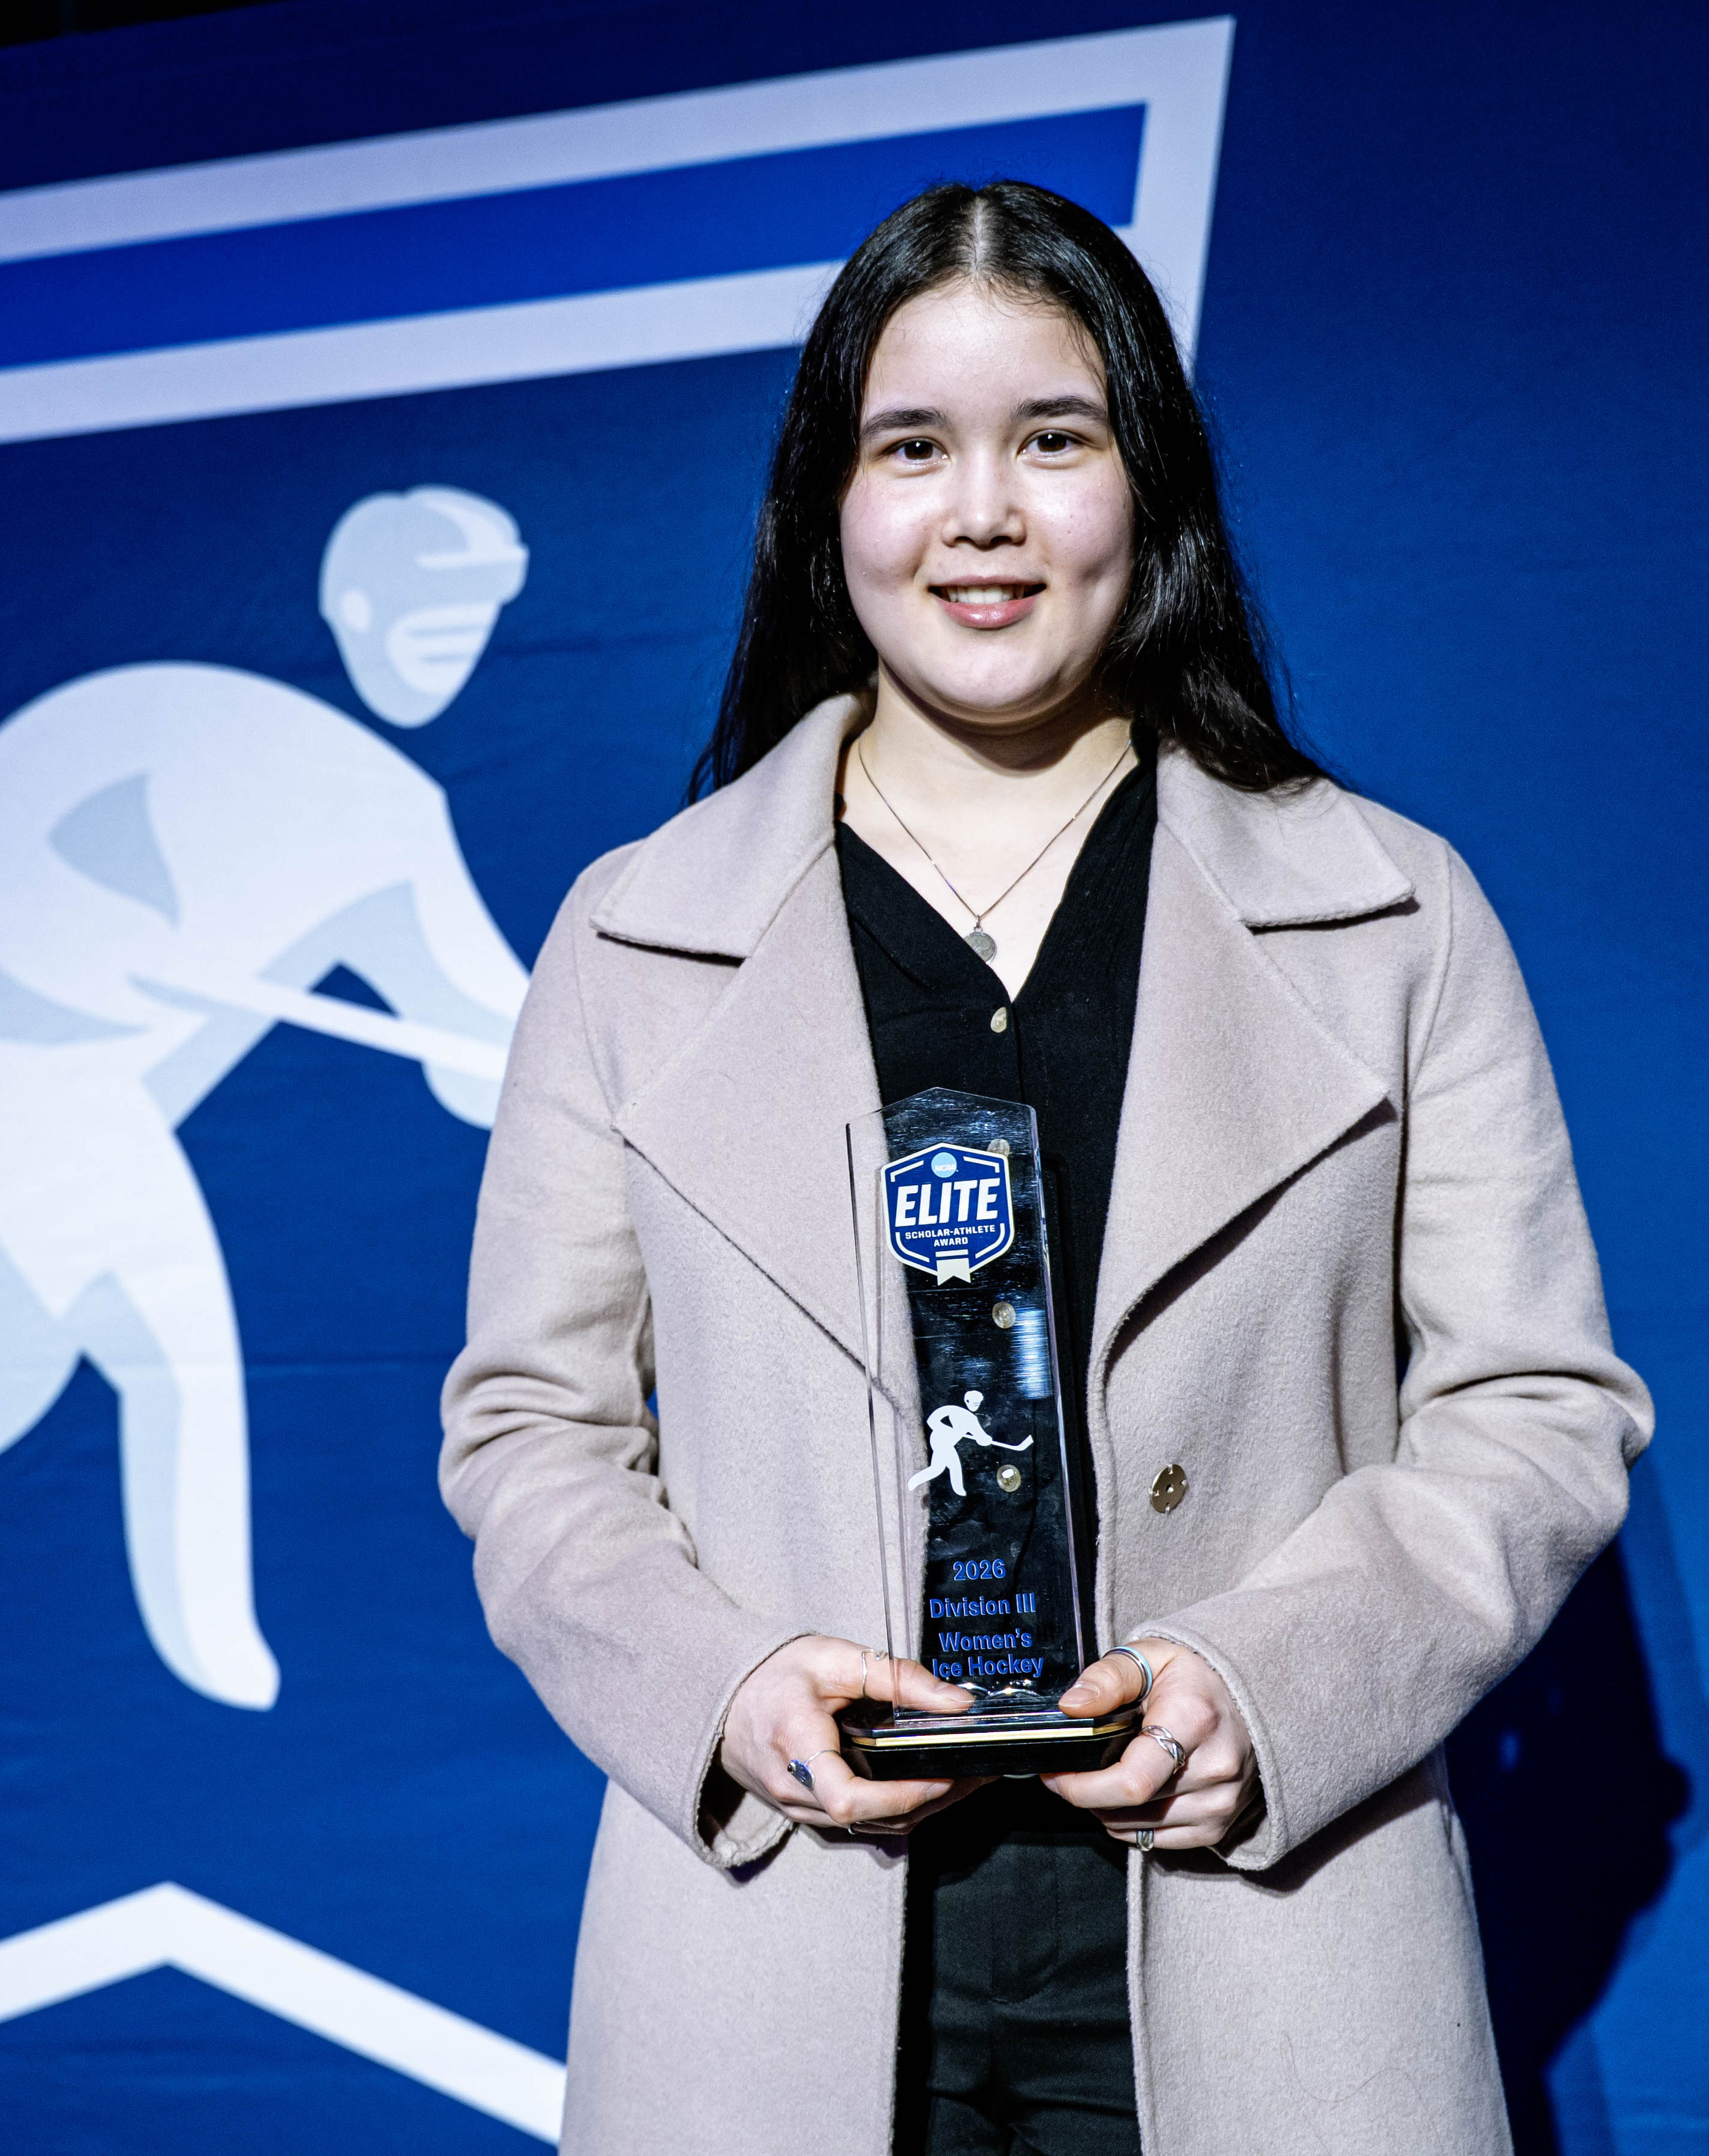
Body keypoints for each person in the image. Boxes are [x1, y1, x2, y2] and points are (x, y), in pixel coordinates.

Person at [440, 181, 1649, 2156]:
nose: (979, 513)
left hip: (1270, 1937)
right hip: (773, 1956)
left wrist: (1264, 1682)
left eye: (1051, 442)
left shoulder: (1387, 909)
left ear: (1144, 490)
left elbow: (1533, 1402)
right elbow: (528, 1428)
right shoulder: (631, 934)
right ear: (828, 505)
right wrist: (722, 1682)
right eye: (911, 446)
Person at [0, 487, 529, 1710]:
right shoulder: (176, 717)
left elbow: (484, 1033)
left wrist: (498, 1064)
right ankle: (223, 1672)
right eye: (432, 608)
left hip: (115, 1094)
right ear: (355, 601)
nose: (454, 639)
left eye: (479, 614)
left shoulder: (399, 824)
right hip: (26, 1063)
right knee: (175, 1352)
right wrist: (90, 940)